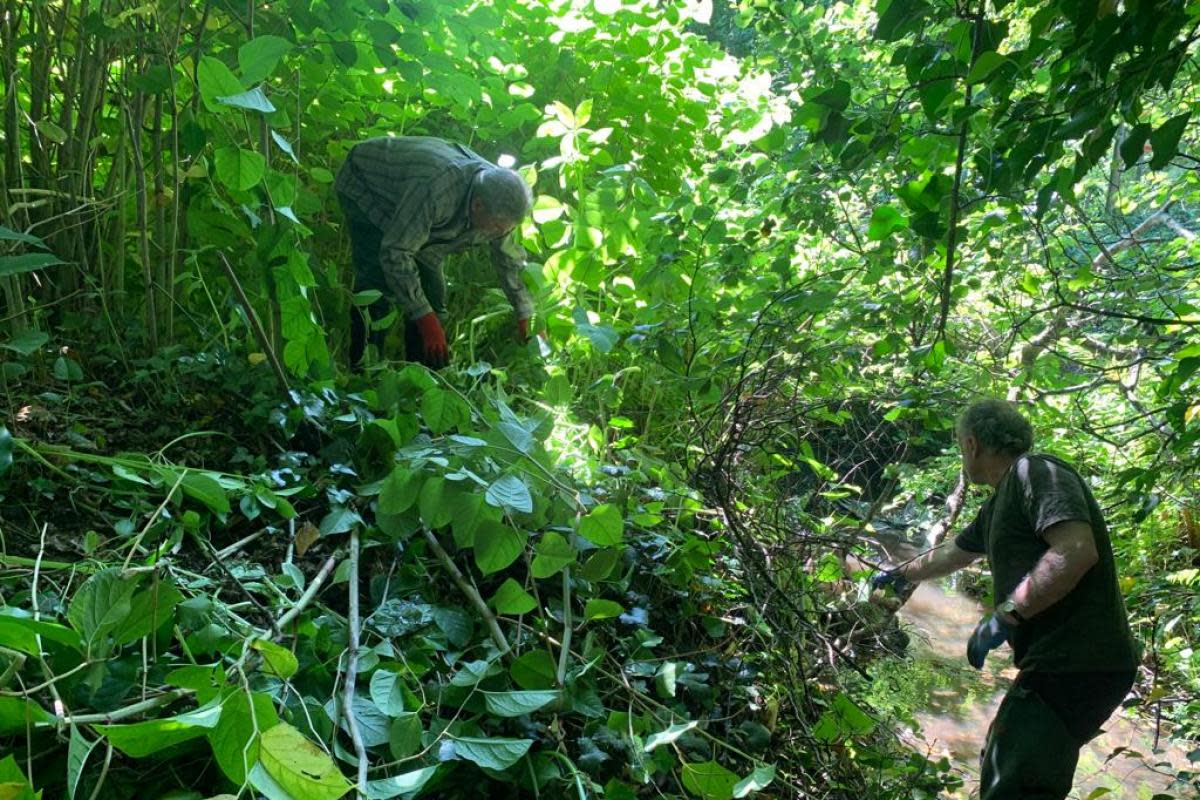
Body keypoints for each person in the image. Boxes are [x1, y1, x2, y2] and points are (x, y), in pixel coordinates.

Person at [873, 399, 1140, 800]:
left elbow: (1075, 550)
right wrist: (899, 574)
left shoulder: (1036, 472)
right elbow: (952, 553)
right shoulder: (1000, 501)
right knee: (1009, 762)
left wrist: (1006, 615)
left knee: (1012, 781)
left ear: (972, 444)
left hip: (1077, 661)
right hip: (1064, 664)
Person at [334, 136, 535, 368]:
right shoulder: (437, 191)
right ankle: (364, 372)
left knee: (433, 297)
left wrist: (524, 314)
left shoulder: (500, 199)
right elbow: (396, 252)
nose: (501, 233)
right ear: (478, 206)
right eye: (498, 227)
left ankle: (421, 378)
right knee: (377, 287)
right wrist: (425, 319)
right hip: (368, 185)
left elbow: (508, 259)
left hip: (416, 204)